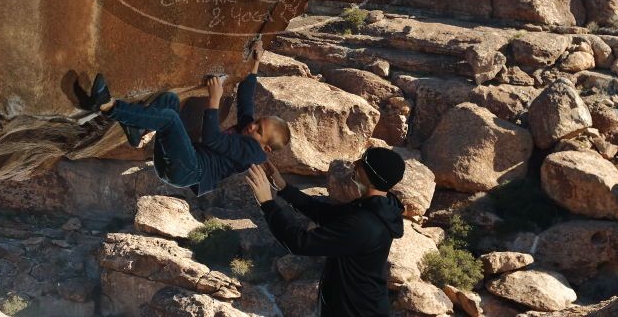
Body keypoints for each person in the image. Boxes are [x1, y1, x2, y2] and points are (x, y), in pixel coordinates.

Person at [87, 40, 291, 196]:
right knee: (170, 101)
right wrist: (255, 63)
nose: (252, 126)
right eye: (257, 122)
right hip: (183, 161)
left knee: (170, 119)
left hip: (189, 170)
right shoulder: (250, 132)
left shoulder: (252, 152)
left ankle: (108, 106)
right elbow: (246, 100)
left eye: (259, 131)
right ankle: (136, 131)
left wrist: (214, 99)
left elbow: (212, 138)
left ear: (266, 148)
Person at [245, 147, 406, 317]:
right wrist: (284, 188)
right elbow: (323, 213)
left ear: (373, 178)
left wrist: (267, 204)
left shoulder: (365, 224)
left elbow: (299, 243)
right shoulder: (373, 207)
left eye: (362, 163)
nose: (355, 164)